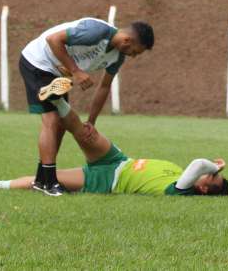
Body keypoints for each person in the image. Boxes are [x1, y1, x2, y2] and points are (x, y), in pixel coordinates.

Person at [0, 79, 228, 197]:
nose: (209, 174)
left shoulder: (179, 191)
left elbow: (199, 164)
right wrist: (213, 171)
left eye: (211, 178)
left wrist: (215, 167)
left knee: (43, 179)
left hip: (108, 180)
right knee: (84, 132)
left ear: (203, 189)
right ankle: (58, 99)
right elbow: (196, 168)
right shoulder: (178, 173)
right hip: (119, 160)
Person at [18, 17, 154, 196]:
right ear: (127, 41)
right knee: (52, 120)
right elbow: (53, 39)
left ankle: (41, 180)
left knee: (61, 124)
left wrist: (91, 121)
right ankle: (49, 182)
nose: (133, 56)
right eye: (134, 52)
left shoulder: (117, 57)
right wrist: (76, 71)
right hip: (37, 61)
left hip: (56, 73)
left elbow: (104, 87)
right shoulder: (95, 31)